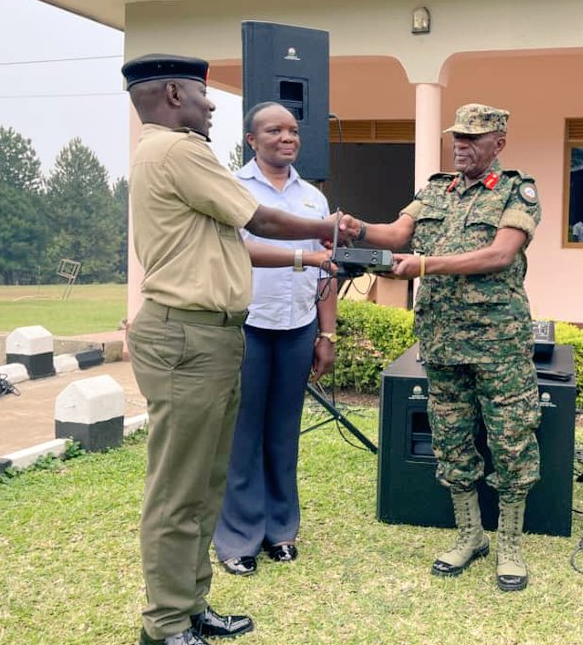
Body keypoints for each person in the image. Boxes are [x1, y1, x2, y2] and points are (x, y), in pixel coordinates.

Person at [123, 54, 352, 645]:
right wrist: (331, 232)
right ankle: (166, 623)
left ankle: (191, 605)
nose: (211, 103)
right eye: (202, 94)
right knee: (179, 489)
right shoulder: (178, 149)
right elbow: (260, 222)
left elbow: (242, 240)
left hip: (213, 332)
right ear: (174, 94)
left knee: (206, 481)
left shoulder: (168, 151)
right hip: (188, 333)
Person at [340, 103, 541, 592]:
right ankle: (470, 536)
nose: (461, 145)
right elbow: (395, 234)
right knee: (451, 440)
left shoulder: (518, 190)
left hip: (498, 344)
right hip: (443, 339)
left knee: (511, 441)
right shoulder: (433, 191)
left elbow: (500, 254)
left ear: (499, 142)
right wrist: (357, 230)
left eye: (473, 138)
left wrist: (425, 265)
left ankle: (509, 544)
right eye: (458, 137)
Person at [213, 102, 337, 576]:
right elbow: (237, 249)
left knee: (283, 435)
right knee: (243, 435)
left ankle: (280, 531)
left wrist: (327, 333)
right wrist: (306, 261)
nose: (287, 137)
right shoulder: (232, 189)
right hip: (247, 325)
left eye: (292, 130)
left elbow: (328, 273)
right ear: (252, 140)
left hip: (297, 329)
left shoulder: (314, 198)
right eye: (274, 130)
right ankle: (239, 538)